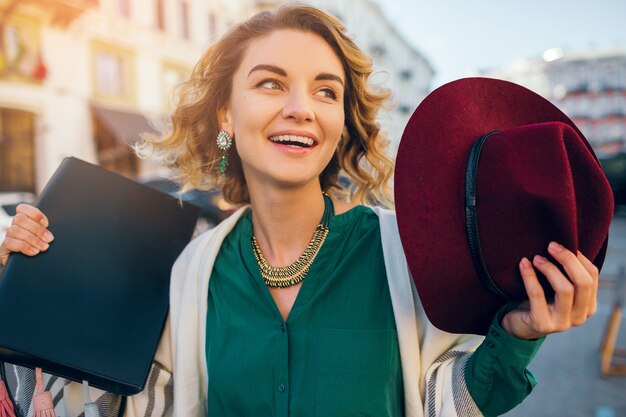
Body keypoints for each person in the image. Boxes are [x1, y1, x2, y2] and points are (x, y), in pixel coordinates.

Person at [0, 5, 606, 417]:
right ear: (226, 118)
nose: (302, 108)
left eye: (326, 90)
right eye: (270, 83)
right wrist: (24, 289)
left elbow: (447, 400)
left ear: (341, 123)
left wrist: (519, 337)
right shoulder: (186, 269)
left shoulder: (408, 254)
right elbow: (119, 403)